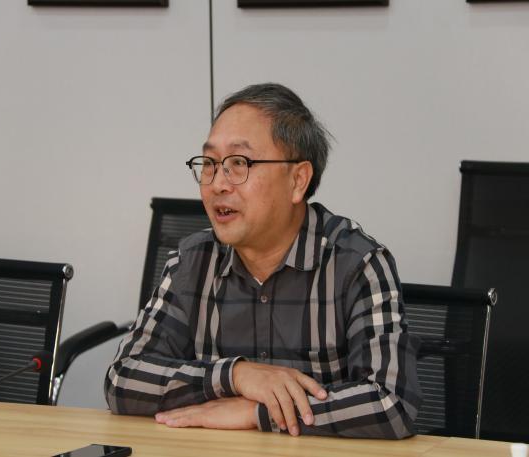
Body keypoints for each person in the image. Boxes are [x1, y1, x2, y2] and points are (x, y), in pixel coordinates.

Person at [104, 83, 421, 439]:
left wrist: (257, 412)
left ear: (298, 180)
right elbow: (123, 379)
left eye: (239, 163)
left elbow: (391, 402)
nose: (217, 184)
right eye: (209, 164)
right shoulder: (192, 263)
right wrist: (235, 376)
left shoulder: (357, 264)